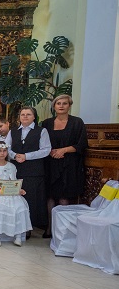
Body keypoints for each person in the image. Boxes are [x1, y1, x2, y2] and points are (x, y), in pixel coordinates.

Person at [41, 94, 88, 237]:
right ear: (54, 106)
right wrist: (49, 151)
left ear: (69, 105)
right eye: (58, 103)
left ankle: (61, 230)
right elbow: (41, 142)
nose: (61, 106)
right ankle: (49, 228)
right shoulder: (46, 123)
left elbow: (82, 144)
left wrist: (64, 150)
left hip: (69, 164)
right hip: (50, 163)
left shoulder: (77, 122)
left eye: (64, 103)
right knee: (49, 195)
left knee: (63, 196)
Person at [7, 106, 51, 236]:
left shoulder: (41, 131)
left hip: (33, 171)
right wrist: (14, 155)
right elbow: (6, 147)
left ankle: (28, 228)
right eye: (22, 114)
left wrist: (26, 156)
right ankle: (17, 225)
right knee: (17, 198)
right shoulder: (13, 131)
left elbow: (46, 149)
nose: (25, 116)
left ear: (34, 117)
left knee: (31, 199)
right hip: (16, 169)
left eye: (28, 114)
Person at [0, 142, 32, 247]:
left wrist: (19, 190)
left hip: (9, 194)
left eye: (4, 151)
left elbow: (13, 182)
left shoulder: (11, 166)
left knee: (20, 206)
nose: (2, 153)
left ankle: (18, 236)